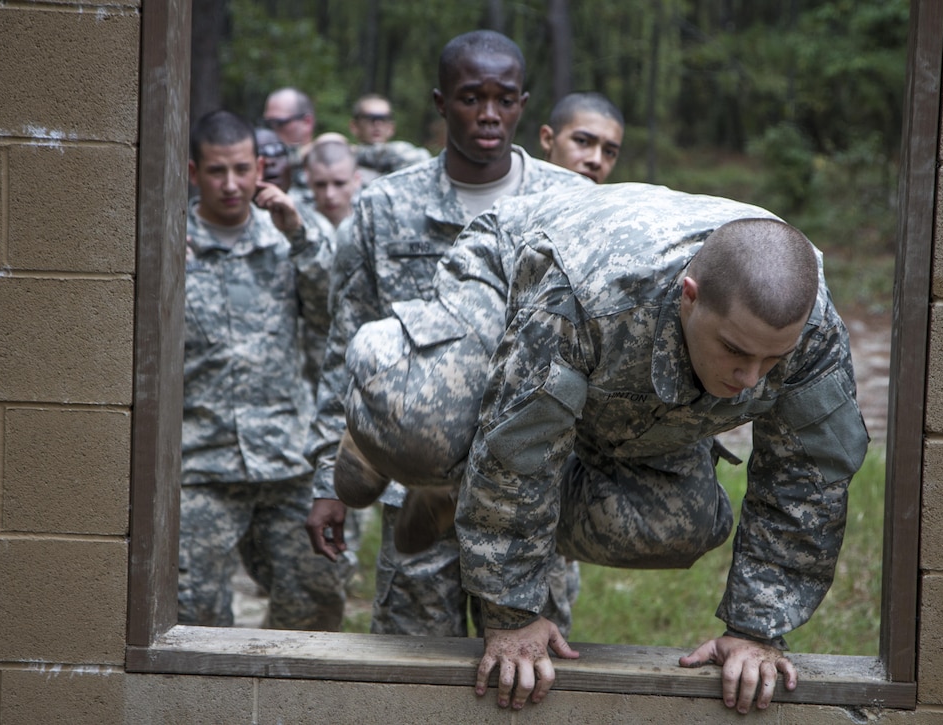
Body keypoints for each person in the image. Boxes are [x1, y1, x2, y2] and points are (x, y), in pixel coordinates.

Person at [339, 182, 869, 713]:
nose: (752, 379)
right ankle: (391, 410)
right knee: (425, 427)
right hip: (515, 267)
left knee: (681, 526)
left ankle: (454, 495)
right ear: (690, 297)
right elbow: (518, 448)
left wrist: (757, 631)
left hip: (621, 370)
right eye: (735, 350)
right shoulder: (588, 296)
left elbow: (809, 477)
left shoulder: (813, 330)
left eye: (771, 361)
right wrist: (511, 612)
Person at [303, 30, 591, 639]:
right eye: (470, 97)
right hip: (414, 485)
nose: (488, 114)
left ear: (522, 103)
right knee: (413, 674)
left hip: (531, 492)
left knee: (531, 671)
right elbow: (347, 348)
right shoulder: (386, 206)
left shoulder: (571, 203)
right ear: (440, 103)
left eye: (504, 98)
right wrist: (325, 481)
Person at [179, 109, 347, 631]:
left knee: (316, 598)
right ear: (192, 172)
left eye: (241, 170)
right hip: (200, 463)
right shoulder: (168, 239)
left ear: (260, 170)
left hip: (284, 460)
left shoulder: (292, 234)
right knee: (191, 612)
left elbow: (329, 316)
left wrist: (298, 234)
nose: (231, 185)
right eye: (215, 172)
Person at [539, 92, 625, 184]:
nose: (596, 160)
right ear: (548, 139)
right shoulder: (523, 194)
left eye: (609, 152)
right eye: (582, 141)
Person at [348, 93, 432, 184]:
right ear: (354, 126)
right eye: (370, 118)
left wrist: (355, 152)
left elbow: (422, 158)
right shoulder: (343, 165)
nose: (377, 124)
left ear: (391, 127)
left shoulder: (405, 161)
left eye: (383, 119)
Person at [263, 87, 317, 195]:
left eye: (279, 123)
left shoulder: (325, 165)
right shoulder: (263, 165)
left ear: (307, 122)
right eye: (268, 124)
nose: (272, 131)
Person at [305, 132, 362, 232]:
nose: (329, 194)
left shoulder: (371, 225)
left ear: (356, 180)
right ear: (308, 180)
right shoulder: (297, 224)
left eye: (339, 184)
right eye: (320, 185)